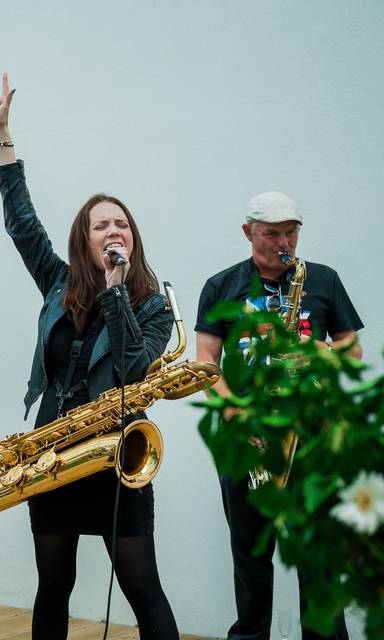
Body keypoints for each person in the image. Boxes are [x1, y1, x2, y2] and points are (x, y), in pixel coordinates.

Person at [0, 73, 179, 640]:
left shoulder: (153, 303)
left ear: (132, 239)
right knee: (53, 585)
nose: (113, 230)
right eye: (102, 224)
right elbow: (22, 225)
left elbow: (132, 367)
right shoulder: (57, 283)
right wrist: (3, 139)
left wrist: (117, 292)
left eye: (122, 224)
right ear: (85, 238)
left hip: (116, 448)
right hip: (52, 448)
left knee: (143, 587)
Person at [195, 190, 362, 640]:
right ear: (248, 232)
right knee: (250, 558)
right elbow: (205, 363)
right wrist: (234, 411)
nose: (284, 242)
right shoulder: (221, 285)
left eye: (291, 232)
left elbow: (353, 348)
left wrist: (321, 350)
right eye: (272, 233)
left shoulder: (322, 280)